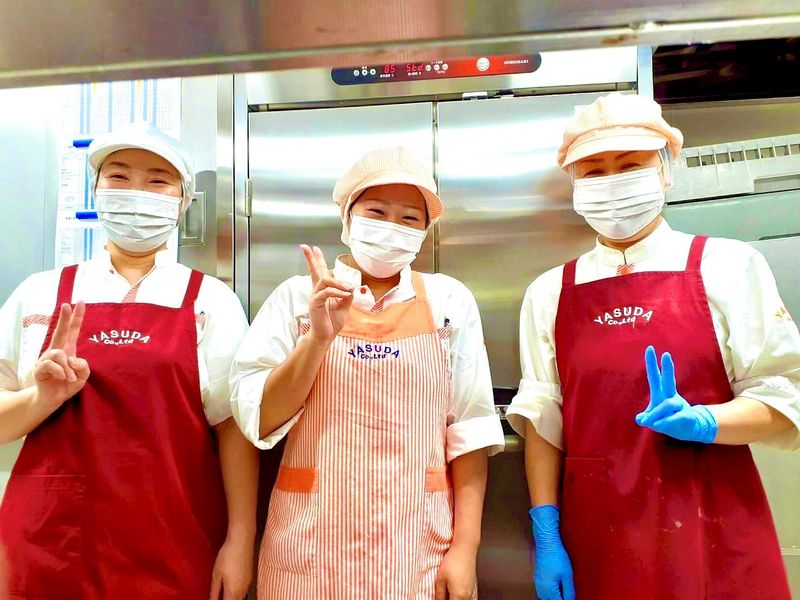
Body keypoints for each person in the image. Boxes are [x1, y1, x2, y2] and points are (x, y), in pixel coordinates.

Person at [506, 93, 800, 600]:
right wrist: (546, 530)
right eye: (594, 170)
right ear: (574, 185)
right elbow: (544, 421)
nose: (612, 181)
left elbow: (782, 398)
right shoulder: (549, 292)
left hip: (712, 518)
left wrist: (707, 422)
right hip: (600, 528)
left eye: (629, 165)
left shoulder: (728, 265)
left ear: (664, 171)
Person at [230, 146, 505, 599]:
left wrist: (465, 549)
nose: (392, 227)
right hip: (310, 544)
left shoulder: (449, 301)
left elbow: (470, 430)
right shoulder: (297, 298)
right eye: (377, 211)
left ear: (424, 232)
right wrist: (317, 340)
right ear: (347, 218)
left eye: (409, 218)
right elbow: (258, 419)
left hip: (418, 546)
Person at [0, 122, 259, 599]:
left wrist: (240, 540)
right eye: (119, 177)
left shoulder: (211, 301)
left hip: (173, 538)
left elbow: (233, 428)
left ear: (183, 202)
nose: (137, 193)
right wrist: (42, 397)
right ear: (96, 190)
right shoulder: (38, 293)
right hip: (49, 542)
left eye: (158, 181)